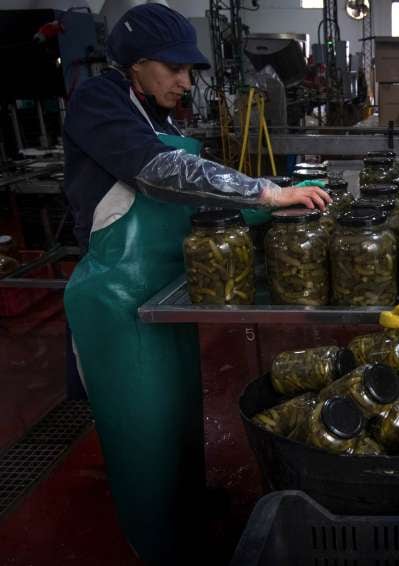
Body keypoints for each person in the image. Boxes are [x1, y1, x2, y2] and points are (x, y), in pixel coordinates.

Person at [61, 5, 328, 563]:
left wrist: (265, 209)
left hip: (162, 290)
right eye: (176, 69)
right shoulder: (100, 101)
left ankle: (186, 511)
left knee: (178, 415)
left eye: (190, 71)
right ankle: (157, 544)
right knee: (142, 432)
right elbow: (160, 173)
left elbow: (191, 196)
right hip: (116, 299)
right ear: (137, 63)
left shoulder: (158, 113)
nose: (186, 82)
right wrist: (263, 193)